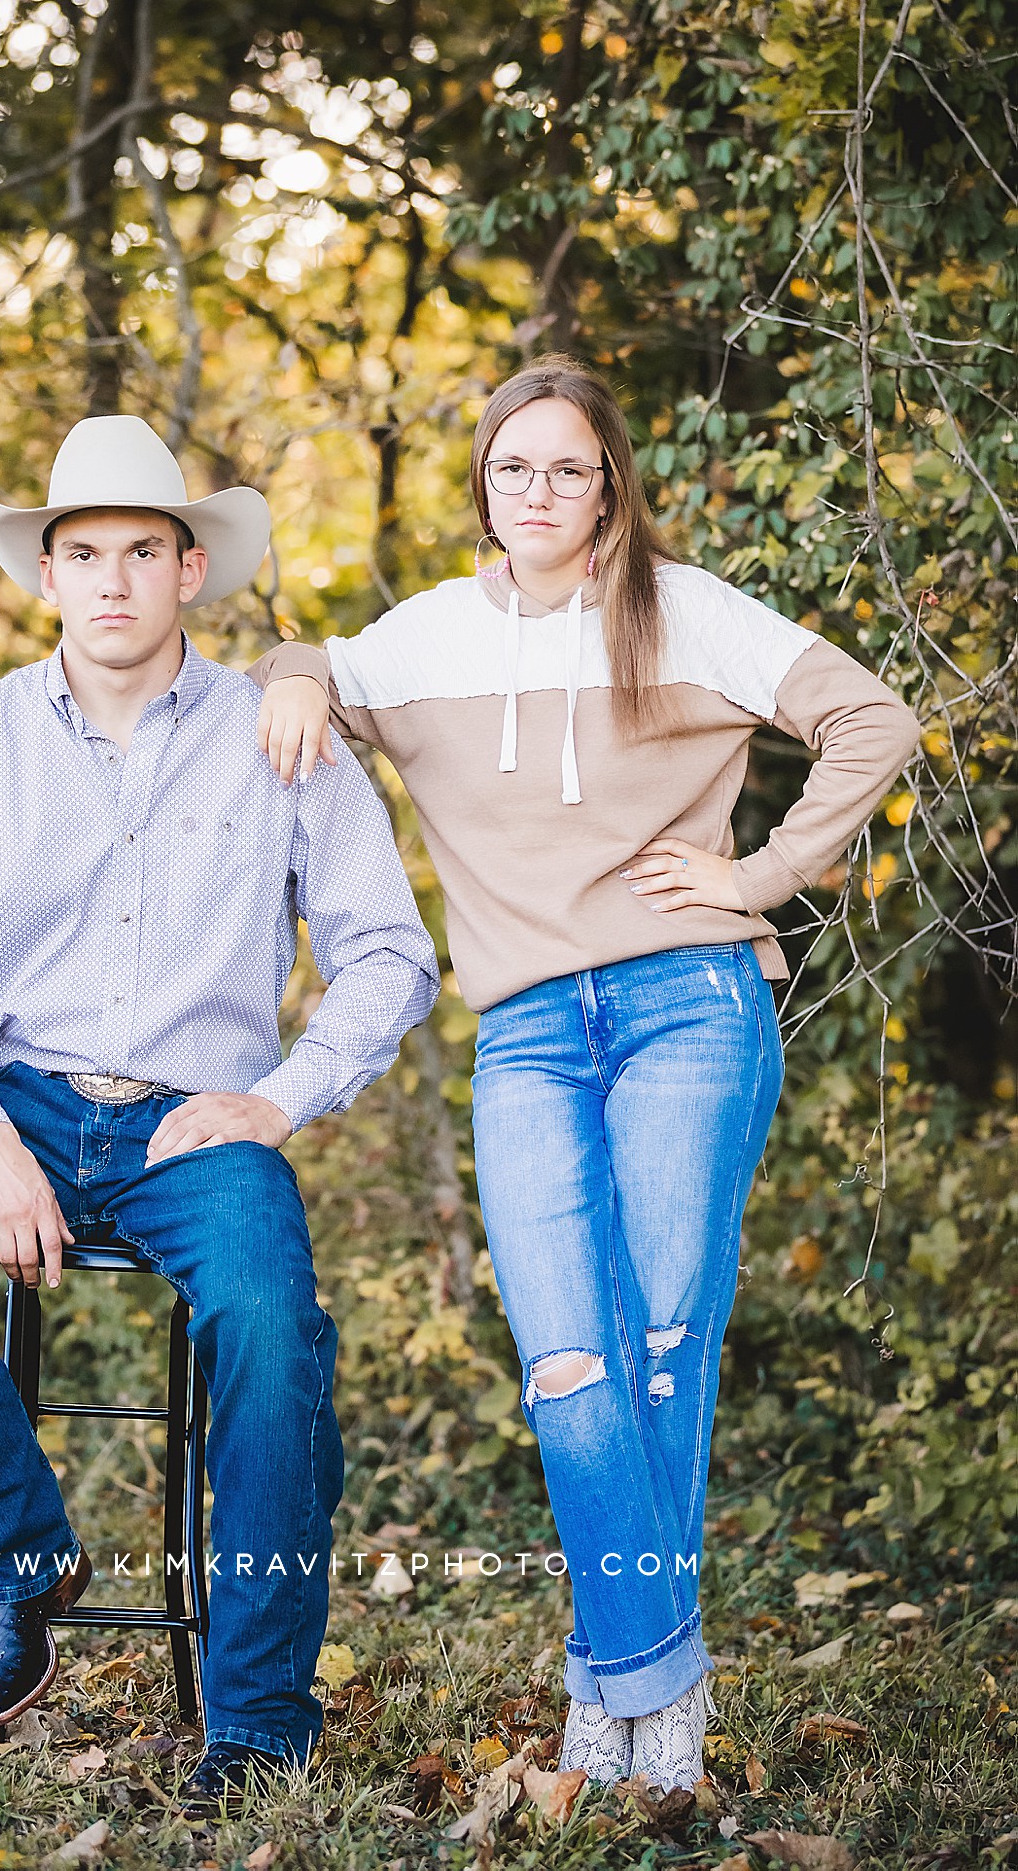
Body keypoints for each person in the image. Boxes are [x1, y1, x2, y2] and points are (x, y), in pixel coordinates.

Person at [251, 354, 920, 1794]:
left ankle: (627, 1707)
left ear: (609, 485)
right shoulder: (428, 639)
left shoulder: (685, 613)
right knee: (567, 1363)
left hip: (691, 1003)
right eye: (512, 467)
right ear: (482, 487)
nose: (538, 490)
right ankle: (647, 1667)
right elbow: (307, 668)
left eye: (568, 466)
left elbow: (874, 720)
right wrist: (297, 674)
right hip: (529, 1039)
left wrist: (764, 870)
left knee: (663, 1350)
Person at [0, 415, 438, 1807]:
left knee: (268, 1324)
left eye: (144, 549)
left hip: (199, 1124)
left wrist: (282, 1098)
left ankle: (255, 1720)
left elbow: (388, 955)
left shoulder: (278, 732)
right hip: (12, 1103)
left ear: (190, 569)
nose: (115, 578)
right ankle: (22, 1563)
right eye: (85, 553)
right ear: (48, 574)